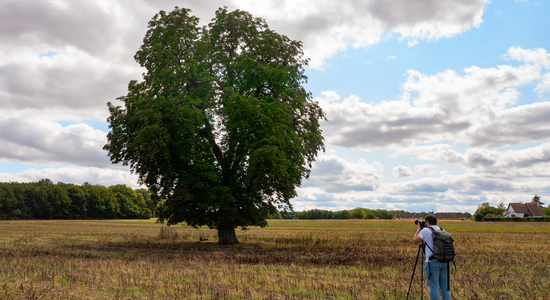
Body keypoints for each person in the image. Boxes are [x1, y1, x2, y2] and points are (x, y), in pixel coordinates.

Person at [412, 214, 451, 300]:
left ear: (427, 222)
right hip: (445, 262)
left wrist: (418, 229)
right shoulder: (442, 229)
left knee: (434, 288)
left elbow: (415, 241)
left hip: (432, 262)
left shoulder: (425, 230)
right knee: (445, 288)